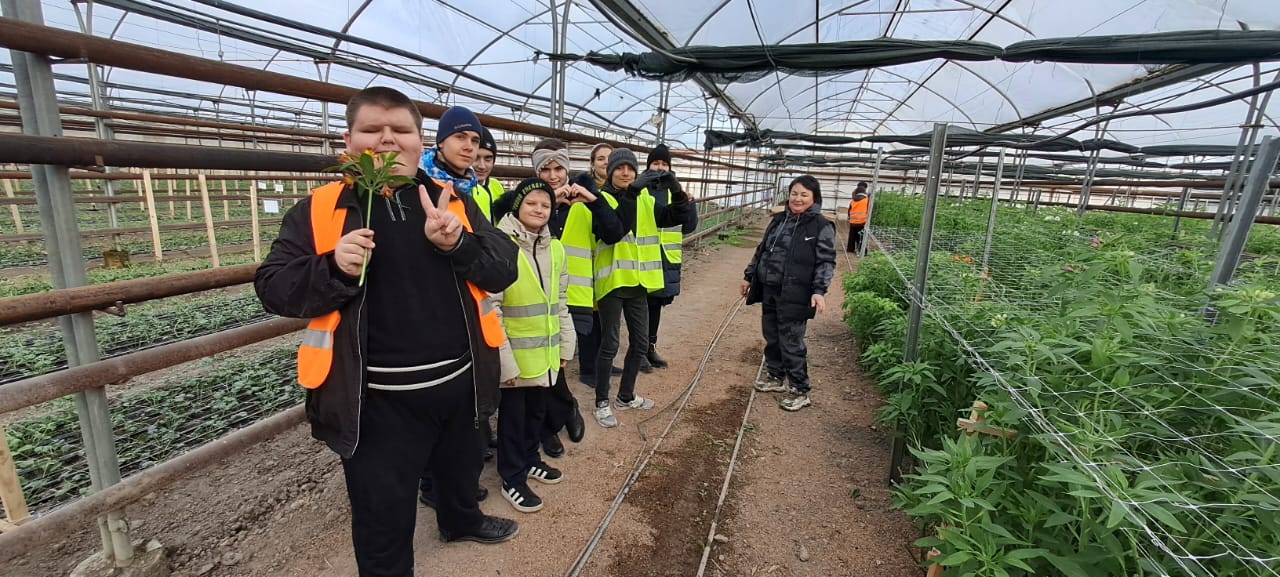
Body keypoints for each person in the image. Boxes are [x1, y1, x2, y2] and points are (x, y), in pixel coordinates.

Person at [255, 88, 520, 577]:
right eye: (372, 130)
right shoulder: (320, 210)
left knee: (460, 471)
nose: (387, 140)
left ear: (420, 142)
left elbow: (504, 267)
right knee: (383, 514)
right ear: (349, 140)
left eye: (400, 130)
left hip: (459, 382)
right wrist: (332, 266)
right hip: (376, 401)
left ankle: (460, 520)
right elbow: (274, 288)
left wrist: (458, 244)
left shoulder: (450, 202)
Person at [491, 178, 577, 513]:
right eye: (532, 203)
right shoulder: (500, 244)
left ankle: (529, 460)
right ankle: (512, 477)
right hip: (515, 355)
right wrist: (504, 362)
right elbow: (491, 307)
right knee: (513, 419)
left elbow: (561, 301)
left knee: (536, 415)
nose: (539, 210)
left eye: (546, 205)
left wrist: (565, 346)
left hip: (546, 353)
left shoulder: (554, 247)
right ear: (517, 206)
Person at [591, 147, 693, 427]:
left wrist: (679, 193)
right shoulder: (602, 199)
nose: (625, 173)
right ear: (610, 171)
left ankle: (626, 395)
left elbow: (676, 218)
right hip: (613, 283)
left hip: (638, 283)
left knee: (640, 342)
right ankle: (601, 401)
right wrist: (633, 192)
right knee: (609, 343)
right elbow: (612, 231)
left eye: (630, 168)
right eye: (620, 168)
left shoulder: (646, 199)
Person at [740, 175, 836, 412]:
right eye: (794, 193)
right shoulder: (779, 220)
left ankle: (800, 389)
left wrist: (819, 291)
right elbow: (761, 250)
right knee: (772, 335)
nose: (798, 198)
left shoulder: (821, 226)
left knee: (791, 341)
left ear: (814, 198)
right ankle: (775, 376)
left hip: (797, 292)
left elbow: (826, 261)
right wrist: (750, 276)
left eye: (804, 194)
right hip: (771, 288)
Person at [635, 144, 699, 372]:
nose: (660, 168)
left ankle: (650, 348)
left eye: (664, 164)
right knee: (639, 305)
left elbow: (689, 226)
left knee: (655, 306)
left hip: (665, 259)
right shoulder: (640, 190)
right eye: (656, 163)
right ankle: (638, 352)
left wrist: (688, 204)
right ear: (648, 165)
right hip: (642, 256)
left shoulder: (675, 192)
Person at [471, 126, 506, 225]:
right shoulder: (462, 188)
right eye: (476, 158)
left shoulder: (496, 185)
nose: (482, 166)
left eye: (488, 158)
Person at [847, 181, 869, 253]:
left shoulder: (853, 199)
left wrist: (850, 218)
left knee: (852, 236)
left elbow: (849, 210)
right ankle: (862, 250)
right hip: (862, 221)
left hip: (853, 221)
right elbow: (869, 210)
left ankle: (850, 249)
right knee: (861, 236)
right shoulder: (866, 200)